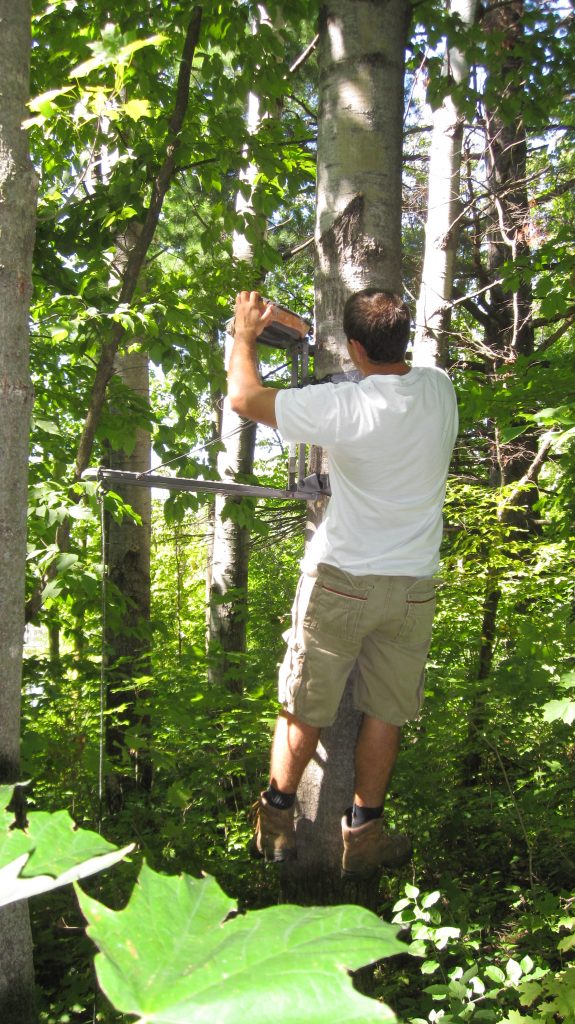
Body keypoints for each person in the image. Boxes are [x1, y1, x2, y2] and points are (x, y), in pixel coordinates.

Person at [227, 288, 458, 879]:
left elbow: (244, 397)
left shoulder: (342, 409)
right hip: (412, 587)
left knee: (307, 702)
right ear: (403, 339)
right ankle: (365, 832)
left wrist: (245, 333)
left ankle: (276, 820)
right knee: (386, 710)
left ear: (354, 347)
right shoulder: (438, 390)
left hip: (343, 579)